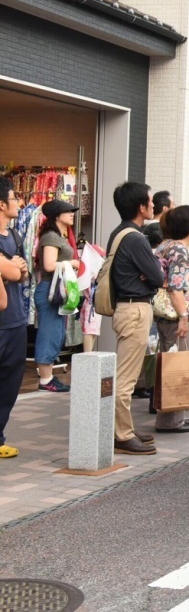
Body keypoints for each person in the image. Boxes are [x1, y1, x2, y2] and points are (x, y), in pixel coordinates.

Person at [108, 182, 166, 456]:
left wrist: (149, 274)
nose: (153, 205)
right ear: (141, 207)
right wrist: (150, 274)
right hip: (134, 309)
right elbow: (158, 276)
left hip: (126, 308)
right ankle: (121, 434)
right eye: (150, 202)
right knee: (126, 378)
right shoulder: (136, 238)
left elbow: (151, 275)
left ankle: (125, 427)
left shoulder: (120, 233)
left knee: (127, 373)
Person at [152, 205, 189, 434]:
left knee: (168, 361)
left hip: (165, 315)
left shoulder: (165, 246)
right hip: (179, 315)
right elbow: (176, 288)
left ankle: (168, 415)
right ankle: (172, 420)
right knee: (179, 365)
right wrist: (184, 317)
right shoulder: (180, 252)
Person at [34, 199, 81, 392]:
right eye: (67, 211)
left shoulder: (58, 236)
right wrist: (73, 264)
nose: (72, 213)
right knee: (49, 334)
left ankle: (49, 377)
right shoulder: (52, 237)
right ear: (56, 216)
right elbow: (49, 265)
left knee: (56, 334)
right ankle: (45, 380)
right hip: (49, 291)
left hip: (54, 291)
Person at [0, 178, 29, 459]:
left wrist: (16, 268)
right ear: (1, 204)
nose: (18, 203)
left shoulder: (15, 236)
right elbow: (12, 272)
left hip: (17, 320)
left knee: (10, 384)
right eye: (13, 197)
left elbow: (24, 272)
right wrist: (14, 268)